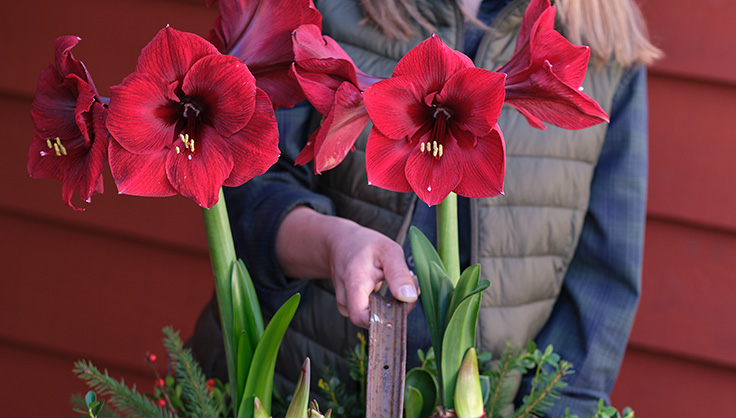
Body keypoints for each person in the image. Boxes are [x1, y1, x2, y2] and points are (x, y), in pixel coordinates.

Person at [189, 0, 661, 416]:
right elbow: (247, 186)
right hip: (299, 391)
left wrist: (554, 410)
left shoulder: (604, 40)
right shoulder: (326, 8)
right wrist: (332, 243)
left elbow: (605, 276)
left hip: (492, 404)